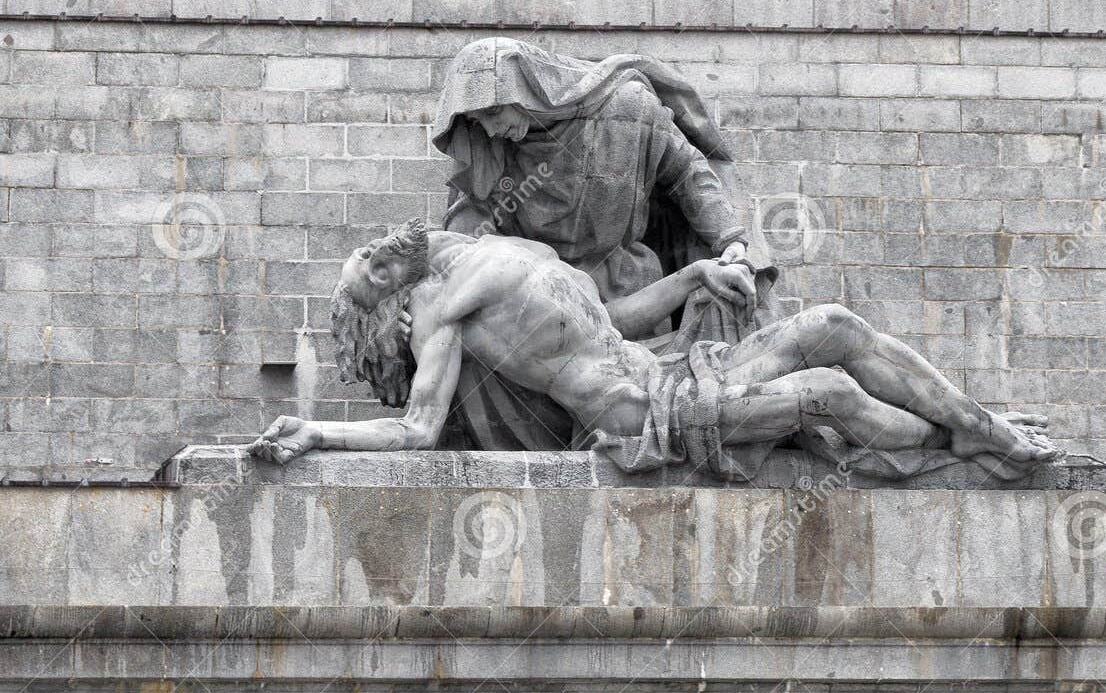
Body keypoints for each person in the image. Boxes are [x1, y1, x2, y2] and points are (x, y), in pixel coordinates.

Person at [251, 220, 1059, 482]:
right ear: (389, 302)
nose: (373, 253)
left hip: (671, 366)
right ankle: (974, 441)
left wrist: (693, 275)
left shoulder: (492, 247)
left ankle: (976, 422)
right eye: (369, 272)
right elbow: (417, 433)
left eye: (365, 253)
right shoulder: (439, 314)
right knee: (831, 394)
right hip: (652, 416)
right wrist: (317, 432)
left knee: (836, 325)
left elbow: (607, 314)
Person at [411, 37, 774, 450]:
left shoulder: (628, 109)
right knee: (470, 344)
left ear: (531, 85)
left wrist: (731, 241)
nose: (492, 128)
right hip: (539, 304)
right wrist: (421, 297)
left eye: (494, 111)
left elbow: (689, 174)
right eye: (480, 121)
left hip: (629, 292)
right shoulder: (492, 149)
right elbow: (465, 239)